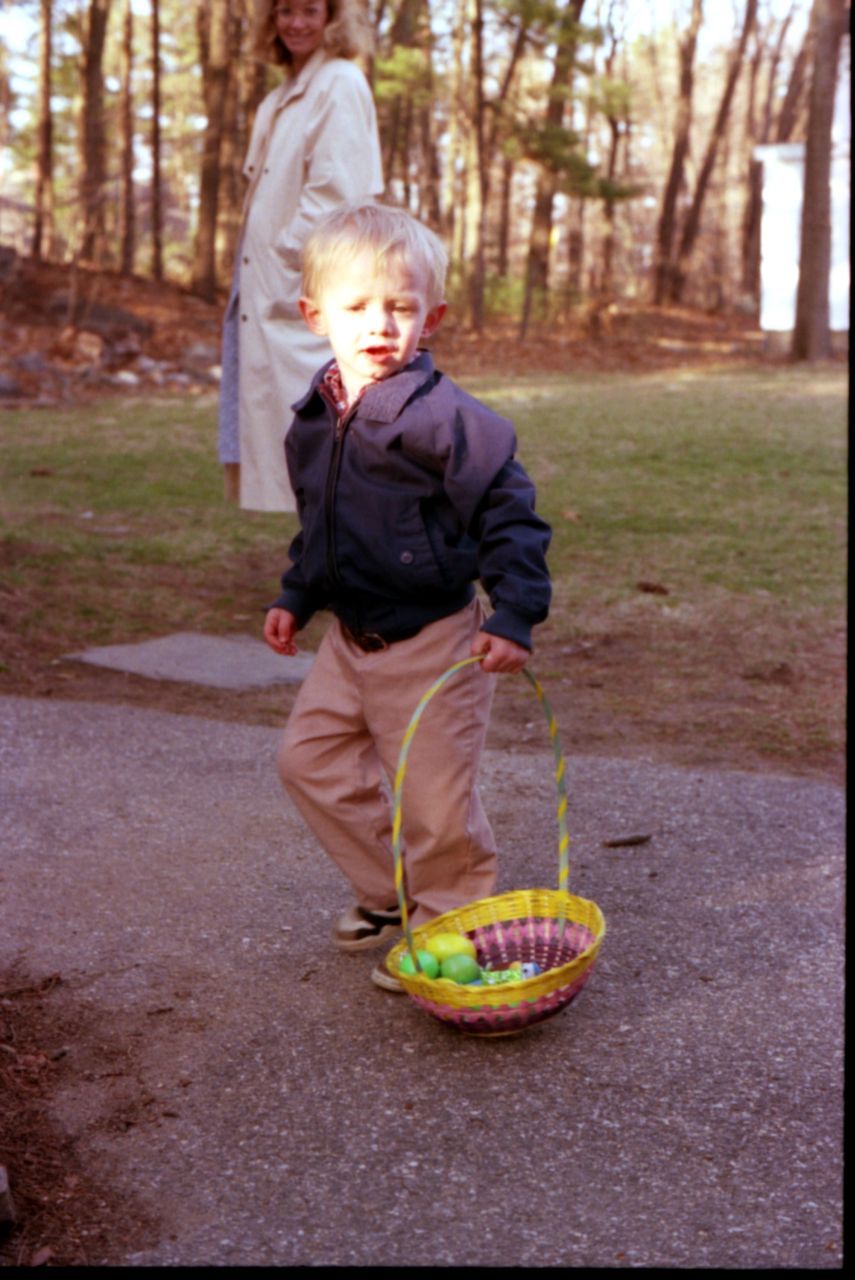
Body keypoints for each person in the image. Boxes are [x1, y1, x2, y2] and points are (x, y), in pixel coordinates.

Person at [263, 203, 552, 991]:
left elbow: (510, 516)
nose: (379, 324)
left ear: (432, 317)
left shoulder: (448, 421)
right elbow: (321, 519)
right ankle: (391, 893)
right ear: (315, 316)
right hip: (349, 642)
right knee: (308, 762)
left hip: (431, 641)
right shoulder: (317, 414)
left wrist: (515, 611)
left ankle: (450, 928)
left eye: (400, 306)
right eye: (356, 305)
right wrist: (297, 592)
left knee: (434, 804)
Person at [218, 0, 383, 512]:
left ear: (333, 18)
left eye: (310, 10)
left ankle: (346, 555)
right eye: (285, 11)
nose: (296, 23)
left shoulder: (340, 83)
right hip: (270, 285)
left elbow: (338, 194)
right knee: (291, 444)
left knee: (332, 444)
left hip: (307, 285)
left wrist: (285, 256)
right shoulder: (279, 98)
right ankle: (317, 554)